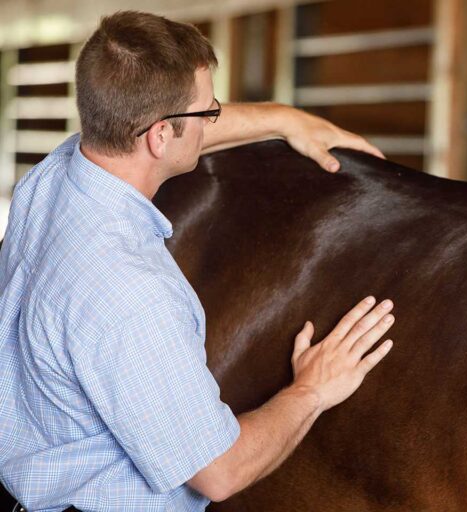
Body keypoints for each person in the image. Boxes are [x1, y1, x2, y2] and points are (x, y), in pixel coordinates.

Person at [0, 10, 395, 512]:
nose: (215, 118)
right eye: (209, 112)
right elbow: (220, 472)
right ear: (160, 136)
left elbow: (172, 126)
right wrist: (312, 390)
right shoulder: (132, 293)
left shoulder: (51, 179)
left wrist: (282, 118)